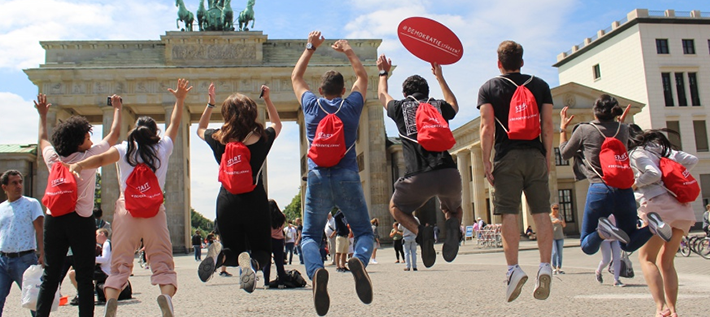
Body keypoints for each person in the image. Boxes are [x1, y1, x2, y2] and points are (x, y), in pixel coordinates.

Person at [68, 78, 191, 317]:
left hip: (127, 209)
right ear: (155, 133)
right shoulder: (162, 148)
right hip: (154, 210)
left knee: (120, 263)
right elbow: (175, 123)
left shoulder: (125, 149)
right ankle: (165, 296)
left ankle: (111, 299)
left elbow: (101, 159)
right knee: (162, 262)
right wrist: (180, 99)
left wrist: (79, 166)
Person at [291, 30, 373, 315]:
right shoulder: (350, 106)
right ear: (342, 90)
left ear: (320, 89)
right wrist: (349, 51)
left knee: (311, 236)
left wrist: (310, 47)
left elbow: (295, 78)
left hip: (317, 177)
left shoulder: (311, 105)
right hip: (348, 174)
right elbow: (363, 79)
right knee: (363, 231)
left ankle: (315, 273)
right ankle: (360, 260)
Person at [478, 40, 554, 302]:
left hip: (506, 156)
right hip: (535, 154)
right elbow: (547, 125)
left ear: (499, 63)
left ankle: (513, 270)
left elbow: (487, 127)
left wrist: (486, 160)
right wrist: (548, 156)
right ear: (522, 62)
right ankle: (545, 265)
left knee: (509, 213)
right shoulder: (540, 85)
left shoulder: (490, 87)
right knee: (541, 212)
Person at [34, 92, 122, 317]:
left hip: (54, 220)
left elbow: (43, 139)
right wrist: (118, 109)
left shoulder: (54, 159)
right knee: (84, 277)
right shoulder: (88, 158)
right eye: (87, 135)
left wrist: (42, 116)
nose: (90, 139)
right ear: (79, 140)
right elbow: (113, 135)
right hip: (80, 221)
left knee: (50, 276)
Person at [376, 54, 463, 268]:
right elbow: (454, 105)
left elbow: (382, 95)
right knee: (454, 209)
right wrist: (440, 77)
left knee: (395, 207)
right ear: (427, 92)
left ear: (405, 94)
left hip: (418, 177)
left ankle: (421, 232)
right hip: (449, 173)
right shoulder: (437, 106)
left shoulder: (400, 108)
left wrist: (383, 73)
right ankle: (453, 225)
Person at [195, 81, 282, 293]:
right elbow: (277, 125)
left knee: (231, 250)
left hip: (227, 199)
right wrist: (268, 99)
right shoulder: (261, 138)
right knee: (262, 250)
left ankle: (219, 255)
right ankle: (251, 265)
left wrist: (210, 104)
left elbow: (200, 129)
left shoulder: (218, 138)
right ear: (252, 113)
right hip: (253, 199)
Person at [559, 96, 671, 253]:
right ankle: (652, 227)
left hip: (600, 188)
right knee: (628, 243)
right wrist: (619, 123)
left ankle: (602, 232)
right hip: (624, 191)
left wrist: (563, 129)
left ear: (595, 112)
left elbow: (564, 153)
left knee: (587, 245)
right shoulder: (624, 129)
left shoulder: (585, 130)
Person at [628, 128, 698, 317]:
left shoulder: (636, 153)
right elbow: (692, 160)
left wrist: (635, 183)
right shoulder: (661, 149)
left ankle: (661, 307)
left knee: (647, 258)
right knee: (667, 262)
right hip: (681, 208)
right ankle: (673, 310)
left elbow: (654, 173)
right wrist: (673, 179)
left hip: (658, 209)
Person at [0, 170, 44, 316]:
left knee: (34, 301)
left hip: (24, 259)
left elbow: (40, 230)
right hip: (2, 260)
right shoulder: (1, 208)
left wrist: (43, 253)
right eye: (14, 183)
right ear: (4, 187)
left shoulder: (32, 204)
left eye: (20, 182)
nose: (19, 186)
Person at [68, 228, 112, 305]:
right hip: (103, 270)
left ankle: (82, 294)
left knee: (73, 274)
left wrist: (89, 259)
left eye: (96, 235)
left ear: (102, 234)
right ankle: (83, 293)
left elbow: (105, 259)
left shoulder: (107, 244)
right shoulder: (105, 244)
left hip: (104, 271)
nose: (95, 237)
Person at [263, 200, 287, 289]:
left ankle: (266, 283)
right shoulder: (282, 217)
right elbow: (281, 227)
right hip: (279, 240)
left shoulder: (265, 217)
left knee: (267, 262)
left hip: (268, 240)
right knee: (279, 262)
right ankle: (281, 282)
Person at [595, 215, 624, 287]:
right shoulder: (604, 211)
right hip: (605, 238)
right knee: (606, 260)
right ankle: (598, 271)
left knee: (617, 259)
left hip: (616, 237)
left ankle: (616, 280)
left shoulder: (618, 211)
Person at [549, 204, 566, 274]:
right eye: (554, 208)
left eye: (557, 208)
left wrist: (562, 223)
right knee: (554, 252)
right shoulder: (549, 216)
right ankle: (554, 267)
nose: (556, 210)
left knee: (560, 253)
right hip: (552, 237)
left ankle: (559, 268)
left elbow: (564, 225)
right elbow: (546, 224)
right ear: (551, 209)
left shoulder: (560, 216)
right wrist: (554, 222)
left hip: (560, 236)